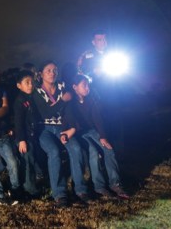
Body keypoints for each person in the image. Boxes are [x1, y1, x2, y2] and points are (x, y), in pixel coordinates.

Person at [32, 60, 90, 207]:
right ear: (41, 74)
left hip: (62, 126)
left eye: (55, 70)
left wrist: (71, 129)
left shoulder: (62, 86)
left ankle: (81, 190)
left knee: (75, 148)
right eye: (48, 70)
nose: (52, 73)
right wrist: (62, 100)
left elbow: (69, 110)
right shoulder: (37, 90)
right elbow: (45, 113)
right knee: (54, 151)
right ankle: (60, 193)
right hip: (43, 128)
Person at [69, 75, 130, 199]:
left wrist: (103, 136)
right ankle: (99, 186)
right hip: (79, 132)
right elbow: (70, 121)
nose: (87, 88)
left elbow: (97, 118)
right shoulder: (70, 102)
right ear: (75, 87)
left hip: (92, 130)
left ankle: (115, 183)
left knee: (108, 149)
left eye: (88, 85)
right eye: (84, 85)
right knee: (93, 152)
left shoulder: (91, 99)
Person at [13, 70, 40, 199]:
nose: (30, 85)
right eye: (27, 82)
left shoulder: (32, 97)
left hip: (33, 135)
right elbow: (18, 122)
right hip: (25, 137)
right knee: (27, 162)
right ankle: (30, 190)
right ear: (19, 86)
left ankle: (36, 183)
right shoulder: (19, 101)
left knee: (34, 160)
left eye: (31, 82)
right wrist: (21, 139)